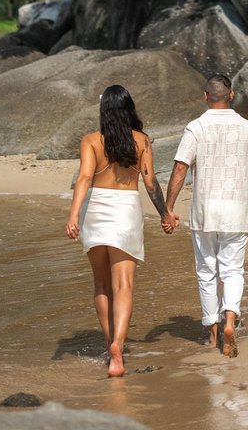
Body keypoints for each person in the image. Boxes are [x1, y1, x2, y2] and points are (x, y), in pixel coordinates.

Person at [65, 84, 177, 376]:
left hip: (95, 212)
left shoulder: (90, 140)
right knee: (123, 285)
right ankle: (119, 345)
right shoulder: (142, 140)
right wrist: (166, 214)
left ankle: (109, 344)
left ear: (103, 110)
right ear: (129, 109)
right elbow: (151, 183)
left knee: (101, 285)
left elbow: (85, 177)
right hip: (125, 211)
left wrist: (73, 215)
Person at [165, 73, 248, 358]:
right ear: (231, 95)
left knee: (206, 272)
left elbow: (180, 168)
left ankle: (212, 333)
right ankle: (231, 321)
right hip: (237, 211)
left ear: (205, 97)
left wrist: (168, 208)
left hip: (204, 212)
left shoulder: (196, 127)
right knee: (233, 270)